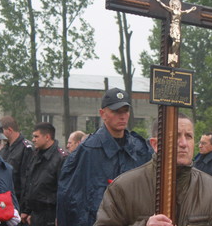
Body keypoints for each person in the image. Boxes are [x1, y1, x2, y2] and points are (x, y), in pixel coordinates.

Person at [94, 114, 212, 226]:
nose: (183, 144)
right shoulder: (123, 188)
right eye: (175, 135)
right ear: (155, 144)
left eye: (188, 136)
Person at [57, 87, 153, 226]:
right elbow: (70, 200)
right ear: (102, 114)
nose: (122, 116)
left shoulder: (140, 149)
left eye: (125, 111)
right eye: (116, 111)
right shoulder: (87, 151)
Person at [21, 122, 67, 225]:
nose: (33, 139)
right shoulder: (35, 155)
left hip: (50, 215)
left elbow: (64, 191)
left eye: (36, 136)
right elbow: (30, 184)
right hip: (35, 215)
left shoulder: (61, 159)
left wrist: (59, 216)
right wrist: (27, 210)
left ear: (47, 137)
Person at [0, 115, 34, 203]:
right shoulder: (4, 149)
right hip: (6, 198)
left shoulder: (26, 149)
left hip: (19, 200)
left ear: (10, 130)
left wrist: (26, 208)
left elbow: (27, 180)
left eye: (1, 132)